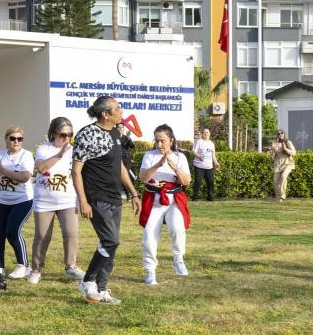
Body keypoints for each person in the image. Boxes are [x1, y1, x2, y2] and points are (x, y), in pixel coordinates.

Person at [72, 96, 141, 304]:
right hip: (96, 197)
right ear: (105, 114)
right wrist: (83, 201)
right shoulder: (87, 134)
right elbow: (76, 171)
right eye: (118, 108)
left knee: (110, 244)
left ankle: (101, 290)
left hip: (114, 196)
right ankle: (87, 280)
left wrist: (133, 193)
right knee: (111, 240)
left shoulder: (114, 133)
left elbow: (119, 165)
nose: (122, 111)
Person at [29, 117, 85, 285]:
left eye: (70, 135)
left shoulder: (74, 151)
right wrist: (60, 154)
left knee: (71, 233)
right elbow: (41, 168)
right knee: (42, 236)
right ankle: (36, 269)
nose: (67, 139)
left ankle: (71, 267)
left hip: (67, 200)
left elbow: (79, 173)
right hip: (44, 201)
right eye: (63, 135)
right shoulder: (43, 149)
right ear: (54, 133)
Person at [139, 124, 192, 285]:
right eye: (157, 141)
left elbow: (187, 181)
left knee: (177, 227)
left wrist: (174, 167)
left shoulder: (180, 157)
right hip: (154, 200)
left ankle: (178, 258)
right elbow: (143, 178)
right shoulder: (149, 156)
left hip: (173, 200)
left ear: (171, 140)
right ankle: (150, 270)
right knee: (149, 235)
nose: (159, 144)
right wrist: (158, 165)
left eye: (162, 141)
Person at [0, 125, 35, 283]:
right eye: (12, 138)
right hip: (1, 201)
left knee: (12, 231)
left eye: (20, 139)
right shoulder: (0, 155)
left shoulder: (26, 155)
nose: (16, 142)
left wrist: (2, 169)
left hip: (22, 201)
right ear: (6, 140)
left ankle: (23, 265)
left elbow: (24, 177)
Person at [191, 127, 219, 201]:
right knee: (198, 181)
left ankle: (210, 197)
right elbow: (193, 151)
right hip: (199, 165)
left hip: (209, 167)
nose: (206, 134)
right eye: (204, 132)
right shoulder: (199, 141)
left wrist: (216, 163)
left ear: (209, 134)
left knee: (211, 182)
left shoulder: (211, 144)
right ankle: (195, 198)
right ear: (202, 134)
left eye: (207, 132)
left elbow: (213, 155)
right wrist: (199, 156)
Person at [269, 129, 296, 200]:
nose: (280, 134)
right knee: (275, 181)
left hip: (288, 163)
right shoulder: (275, 144)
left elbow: (294, 153)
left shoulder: (288, 142)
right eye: (278, 134)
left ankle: (283, 195)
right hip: (278, 165)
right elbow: (271, 156)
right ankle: (278, 196)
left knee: (283, 176)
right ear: (277, 136)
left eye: (282, 133)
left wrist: (285, 149)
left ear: (284, 134)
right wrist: (273, 151)